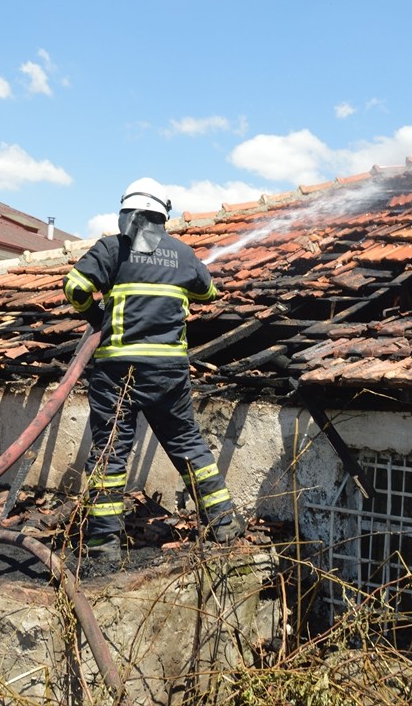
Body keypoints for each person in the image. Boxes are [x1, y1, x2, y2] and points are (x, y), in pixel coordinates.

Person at [62, 178, 243, 555]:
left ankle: (103, 542)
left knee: (111, 449)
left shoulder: (111, 248)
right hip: (168, 372)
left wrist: (96, 313)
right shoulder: (182, 253)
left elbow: (75, 287)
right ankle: (223, 522)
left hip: (119, 371)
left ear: (126, 214)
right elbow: (208, 291)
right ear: (163, 217)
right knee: (187, 441)